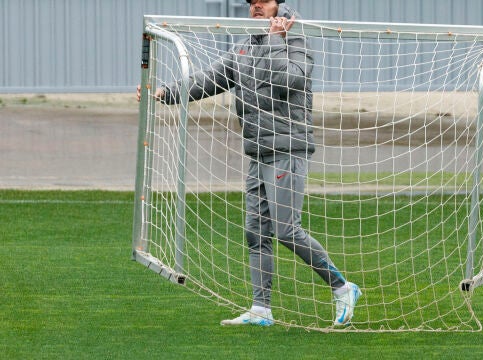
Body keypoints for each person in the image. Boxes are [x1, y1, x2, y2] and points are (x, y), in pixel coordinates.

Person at [137, 0, 360, 327]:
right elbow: (208, 80)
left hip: (288, 147)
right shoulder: (244, 46)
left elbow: (292, 81)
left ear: (278, 5)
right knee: (257, 232)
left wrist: (274, 39)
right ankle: (261, 309)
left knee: (287, 231)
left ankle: (343, 287)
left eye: (264, 1)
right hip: (257, 150)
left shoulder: (295, 41)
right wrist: (164, 92)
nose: (256, 6)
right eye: (252, 2)